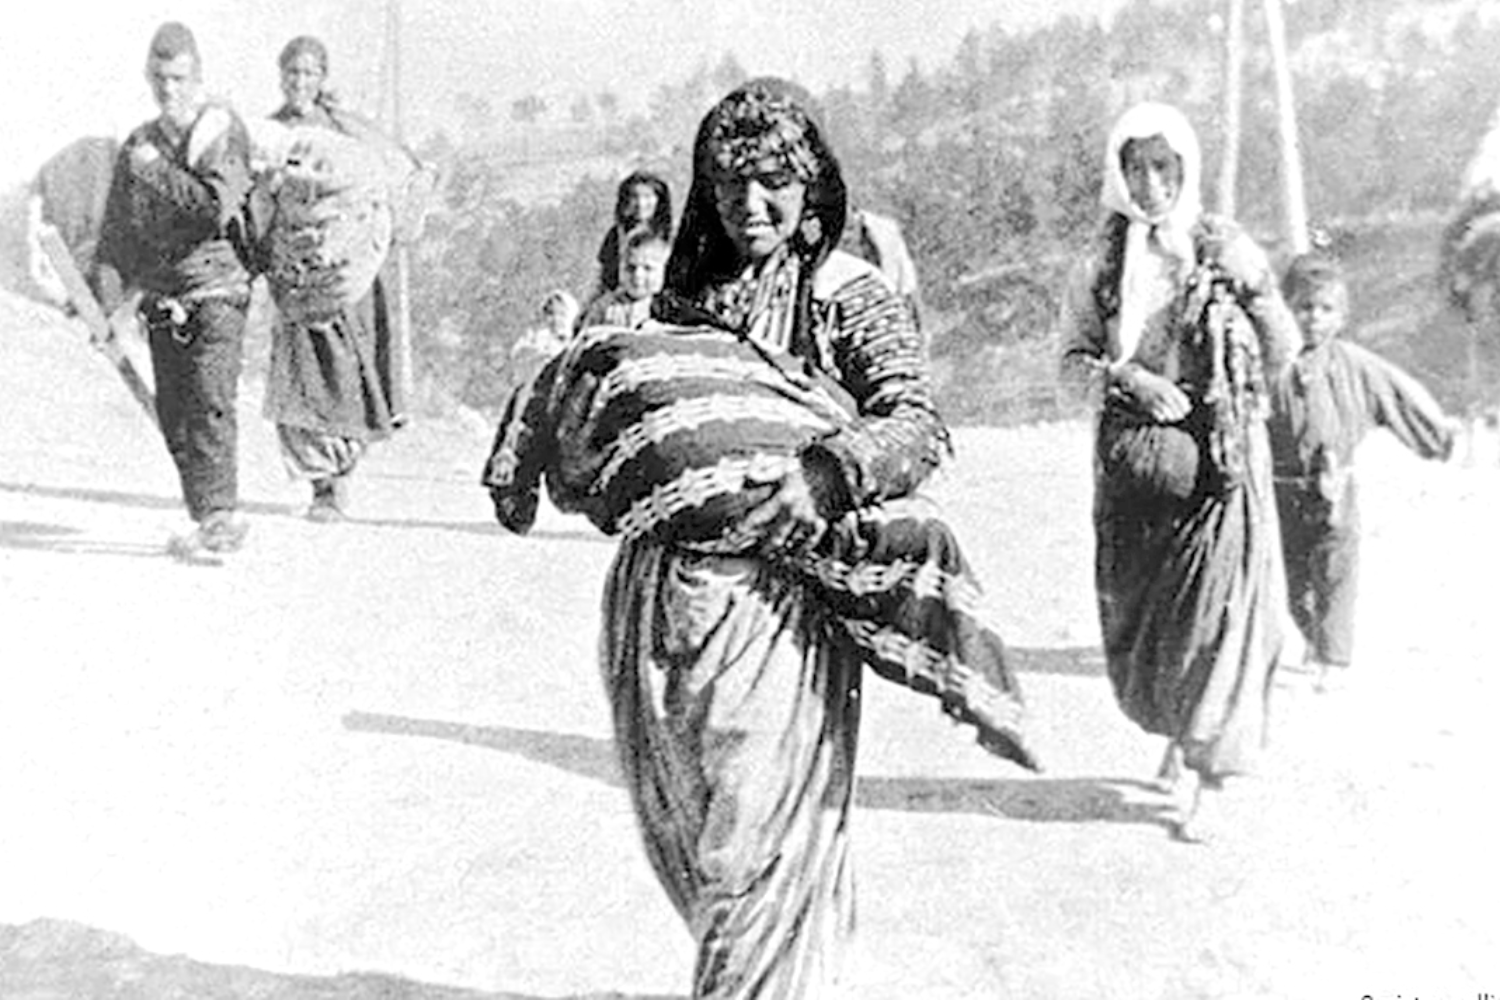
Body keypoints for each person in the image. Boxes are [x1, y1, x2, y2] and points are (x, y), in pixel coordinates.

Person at [487, 77, 1036, 998]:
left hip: (781, 610)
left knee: (756, 851)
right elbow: (639, 421)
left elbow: (915, 424)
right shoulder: (682, 297)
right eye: (730, 182)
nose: (751, 203)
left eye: (775, 181)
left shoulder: (844, 293)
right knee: (693, 843)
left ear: (812, 185)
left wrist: (828, 473)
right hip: (660, 606)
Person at [1059, 101, 1300, 842]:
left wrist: (1253, 288)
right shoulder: (1103, 262)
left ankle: (1210, 776)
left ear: (1186, 168)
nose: (1152, 183)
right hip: (1138, 472)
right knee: (1151, 626)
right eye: (1136, 168)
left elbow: (1284, 349)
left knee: (1218, 618)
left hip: (1223, 464)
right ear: (1119, 173)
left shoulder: (1223, 247)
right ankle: (1179, 731)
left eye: (1165, 167)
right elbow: (1070, 365)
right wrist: (1128, 380)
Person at [93, 22, 257, 556]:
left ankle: (220, 514)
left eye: (179, 78)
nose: (169, 89)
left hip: (218, 287)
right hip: (163, 296)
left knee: (210, 398)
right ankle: (207, 515)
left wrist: (156, 170)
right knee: (174, 413)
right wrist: (106, 305)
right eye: (160, 78)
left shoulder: (222, 132)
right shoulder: (139, 144)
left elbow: (212, 208)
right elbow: (117, 232)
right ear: (148, 77)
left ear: (197, 77)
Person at [1267, 251, 1457, 693]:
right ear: (1285, 309)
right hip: (1281, 488)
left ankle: (1333, 658)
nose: (1314, 318)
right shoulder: (1271, 365)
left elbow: (1400, 395)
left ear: (1341, 316)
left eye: (1326, 309)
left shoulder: (1354, 364)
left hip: (1335, 486)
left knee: (1336, 571)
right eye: (1304, 307)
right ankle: (1313, 639)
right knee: (1294, 579)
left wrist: (1437, 437)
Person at [260, 35, 422, 521]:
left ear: (322, 78)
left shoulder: (346, 128)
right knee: (303, 376)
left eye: (309, 73)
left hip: (348, 275)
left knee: (346, 371)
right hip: (296, 274)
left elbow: (390, 175)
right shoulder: (272, 131)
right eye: (293, 72)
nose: (300, 82)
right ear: (281, 76)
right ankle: (321, 486)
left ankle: (340, 474)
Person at [593, 170, 672, 297]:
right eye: (634, 197)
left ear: (659, 200)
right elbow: (604, 276)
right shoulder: (616, 234)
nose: (641, 204)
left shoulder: (670, 235)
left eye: (648, 197)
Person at [577, 226, 668, 329]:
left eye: (648, 268)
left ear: (662, 272)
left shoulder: (667, 307)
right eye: (630, 268)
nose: (638, 275)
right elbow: (586, 334)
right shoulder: (605, 307)